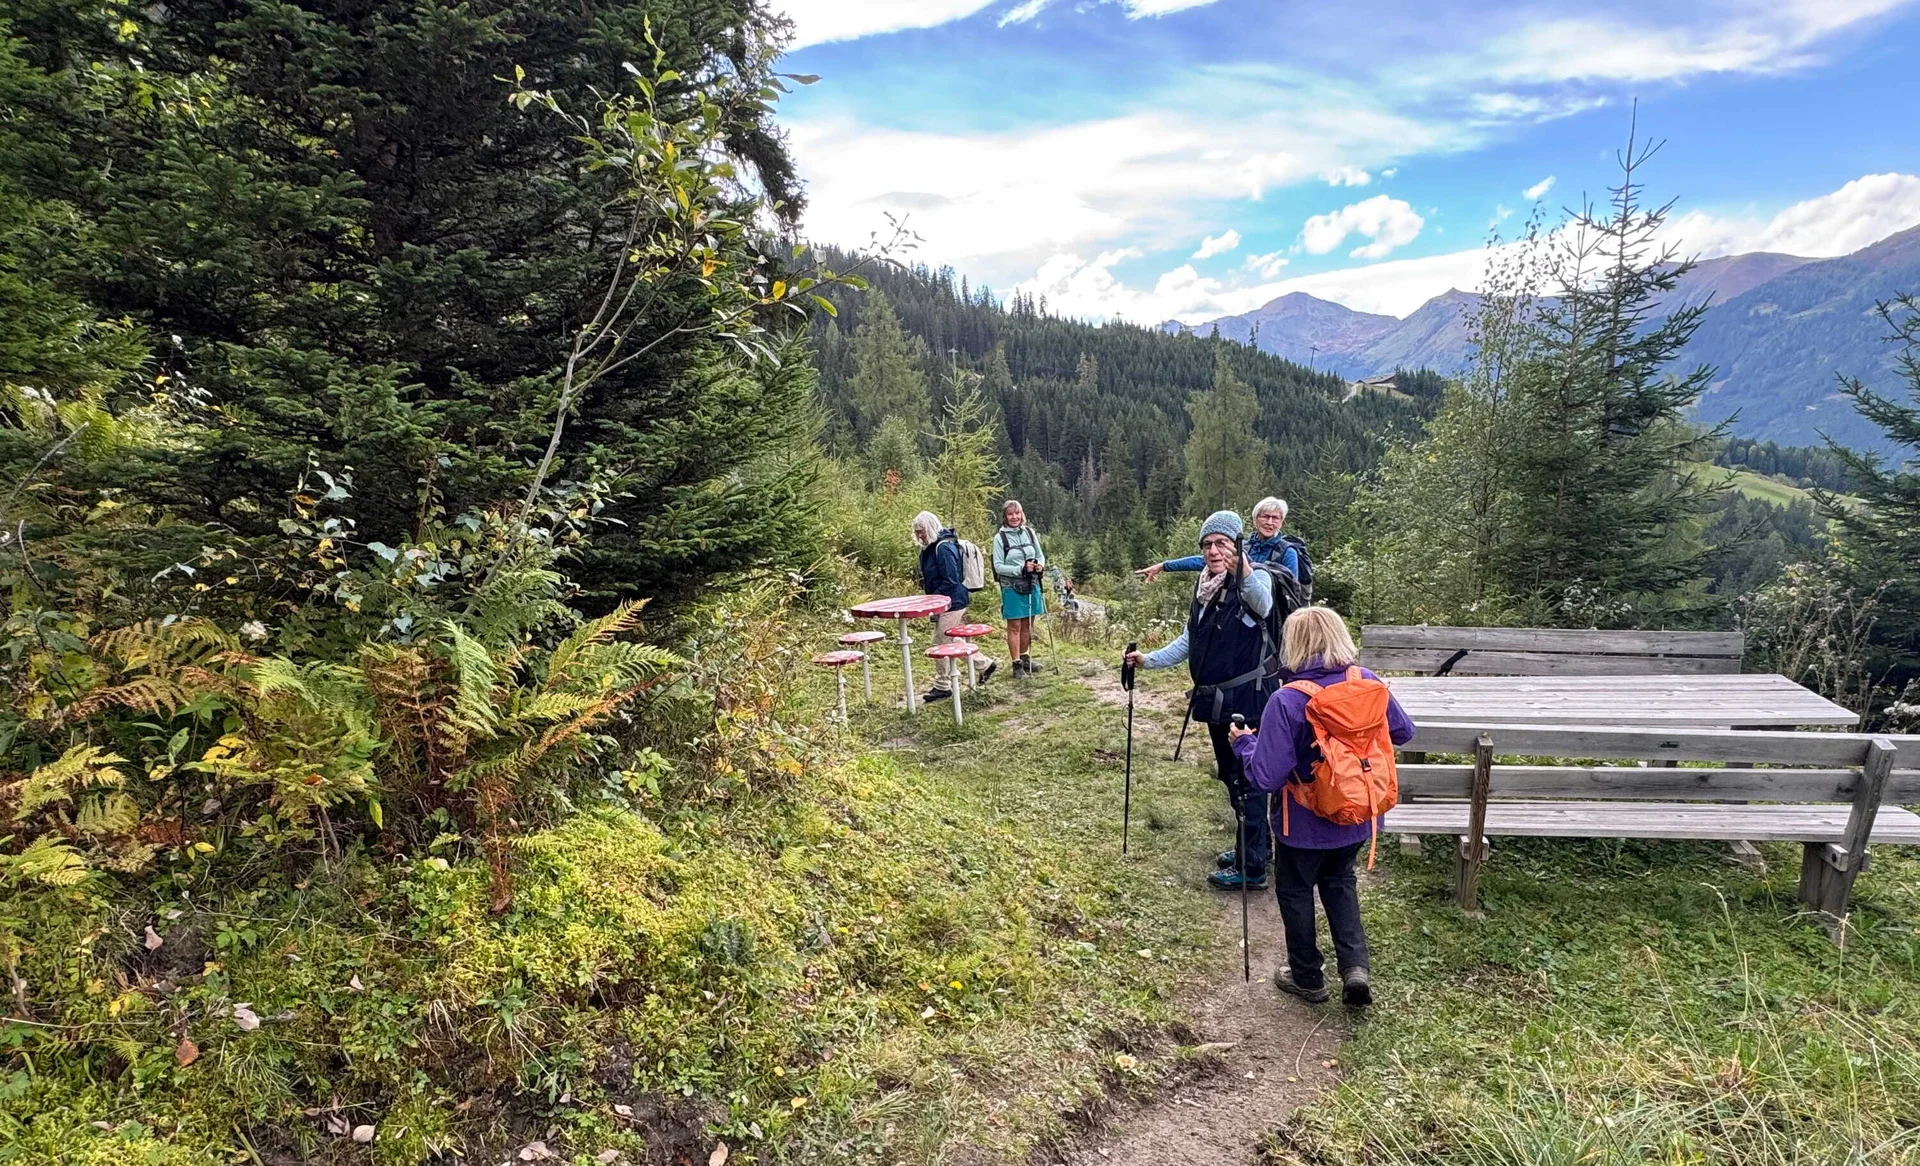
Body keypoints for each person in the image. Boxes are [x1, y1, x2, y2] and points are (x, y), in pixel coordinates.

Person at [1228, 606, 1416, 1009]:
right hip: (1358, 814)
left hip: (1305, 823)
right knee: (1340, 881)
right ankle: (1355, 968)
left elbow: (1265, 777)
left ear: (1293, 644)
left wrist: (1244, 743)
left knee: (1295, 890)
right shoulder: (1366, 681)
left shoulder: (1287, 699)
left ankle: (1308, 977)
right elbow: (1403, 731)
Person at [1123, 511, 1275, 891]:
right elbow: (1191, 639)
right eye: (1207, 544)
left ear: (1237, 545)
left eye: (1222, 543)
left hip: (1247, 699)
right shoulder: (1204, 585)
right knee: (1230, 776)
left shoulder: (1256, 579)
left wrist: (1242, 569)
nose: (1213, 550)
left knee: (1248, 781)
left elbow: (1265, 606)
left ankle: (1252, 868)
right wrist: (1149, 660)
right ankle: (1254, 848)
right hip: (1215, 701)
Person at [912, 510, 997, 703]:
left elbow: (951, 580)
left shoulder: (942, 548)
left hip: (952, 601)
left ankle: (943, 685)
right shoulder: (933, 547)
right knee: (953, 638)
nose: (919, 536)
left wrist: (934, 599)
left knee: (941, 642)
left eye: (921, 531)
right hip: (948, 601)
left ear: (930, 528)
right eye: (917, 532)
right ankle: (985, 665)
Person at [1137, 496, 1299, 583]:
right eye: (1265, 517)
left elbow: (1292, 589)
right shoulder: (1245, 546)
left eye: (1275, 518)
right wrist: (1164, 566)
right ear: (1255, 519)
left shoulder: (1287, 551)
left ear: (1281, 522)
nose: (1270, 522)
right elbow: (1205, 561)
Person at [992, 499, 1047, 677]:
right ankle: (1016, 665)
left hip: (1032, 583)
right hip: (1011, 586)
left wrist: (1040, 566)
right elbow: (998, 566)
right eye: (1010, 514)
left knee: (1028, 623)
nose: (1014, 517)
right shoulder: (1000, 538)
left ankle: (1025, 658)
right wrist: (1020, 569)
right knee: (1014, 625)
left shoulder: (1030, 533)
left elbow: (1039, 555)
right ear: (1005, 517)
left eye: (1017, 513)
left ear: (1022, 514)